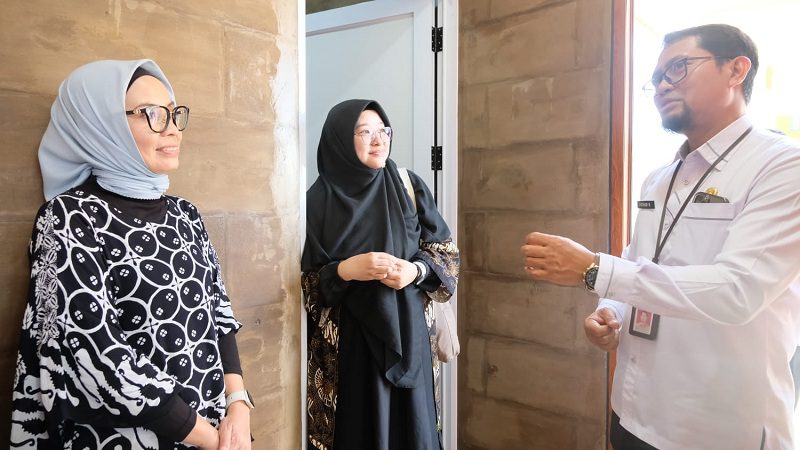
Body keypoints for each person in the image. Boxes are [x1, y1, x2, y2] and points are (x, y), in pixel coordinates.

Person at [520, 24, 800, 450]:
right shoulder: (660, 177)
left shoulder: (781, 166)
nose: (662, 86)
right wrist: (610, 310)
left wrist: (594, 269)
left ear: (736, 70)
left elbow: (737, 289)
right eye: (656, 78)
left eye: (678, 68)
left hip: (716, 427)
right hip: (633, 409)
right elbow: (639, 258)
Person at [10, 59, 253, 449]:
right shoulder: (68, 218)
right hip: (128, 438)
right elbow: (98, 356)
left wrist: (237, 404)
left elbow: (218, 313)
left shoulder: (185, 213)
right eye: (152, 114)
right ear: (100, 125)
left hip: (216, 427)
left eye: (173, 113)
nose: (172, 129)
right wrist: (211, 439)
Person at [301, 99, 459, 450]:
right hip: (350, 352)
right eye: (365, 132)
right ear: (341, 140)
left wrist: (415, 270)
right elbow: (306, 287)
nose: (379, 140)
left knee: (414, 433)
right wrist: (346, 270)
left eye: (383, 131)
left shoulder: (408, 187)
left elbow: (446, 254)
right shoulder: (315, 202)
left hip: (410, 339)